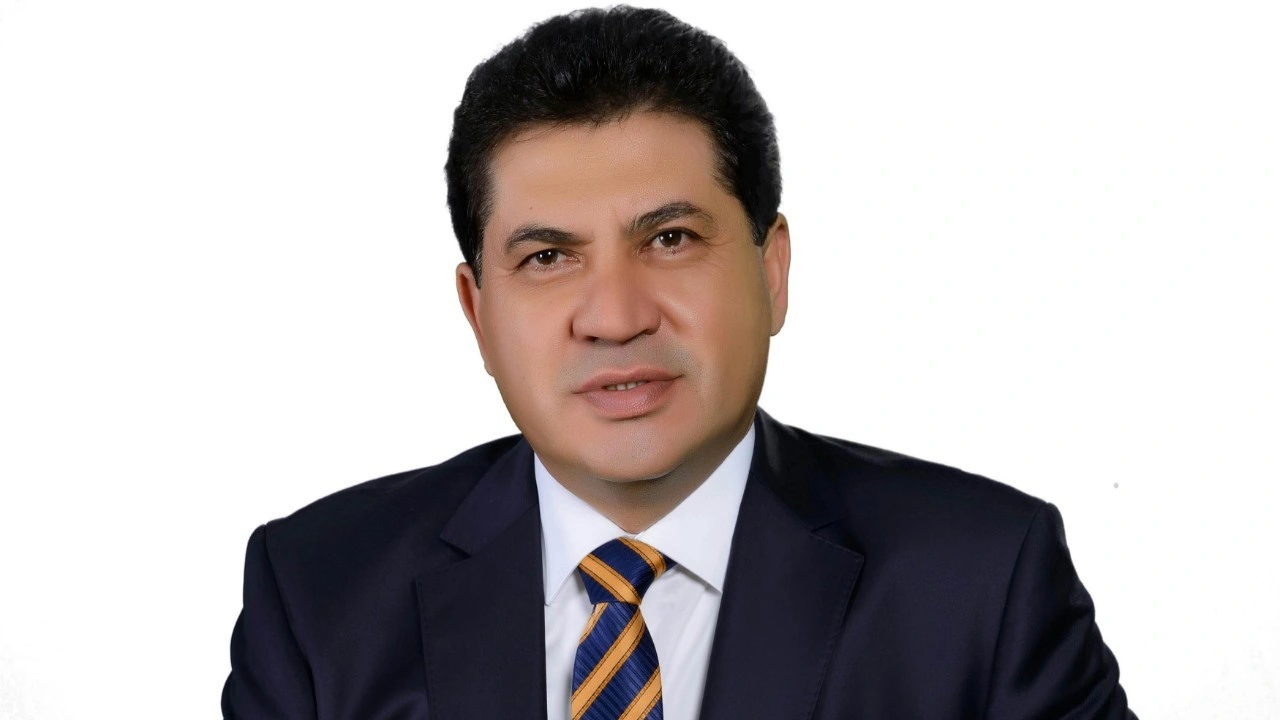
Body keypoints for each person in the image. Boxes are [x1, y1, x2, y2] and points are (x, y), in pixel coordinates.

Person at [222, 6, 1135, 719]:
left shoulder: (983, 585)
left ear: (772, 272)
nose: (616, 318)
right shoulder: (317, 596)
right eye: (548, 257)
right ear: (477, 313)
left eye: (670, 239)